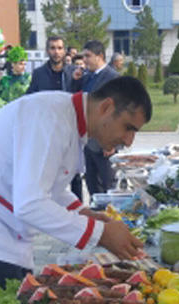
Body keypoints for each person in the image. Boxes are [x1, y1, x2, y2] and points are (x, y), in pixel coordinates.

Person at [0, 76, 150, 304]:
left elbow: (51, 188)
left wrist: (86, 214)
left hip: (3, 231)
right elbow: (30, 204)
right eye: (128, 128)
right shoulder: (49, 119)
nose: (129, 141)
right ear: (106, 107)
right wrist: (100, 233)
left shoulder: (67, 118)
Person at [70, 40, 119, 197]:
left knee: (109, 186)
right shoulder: (87, 77)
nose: (84, 60)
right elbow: (73, 99)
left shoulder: (112, 78)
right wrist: (75, 81)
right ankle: (97, 212)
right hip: (88, 143)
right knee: (93, 187)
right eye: (83, 56)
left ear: (100, 56)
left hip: (105, 144)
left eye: (88, 56)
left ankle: (111, 213)